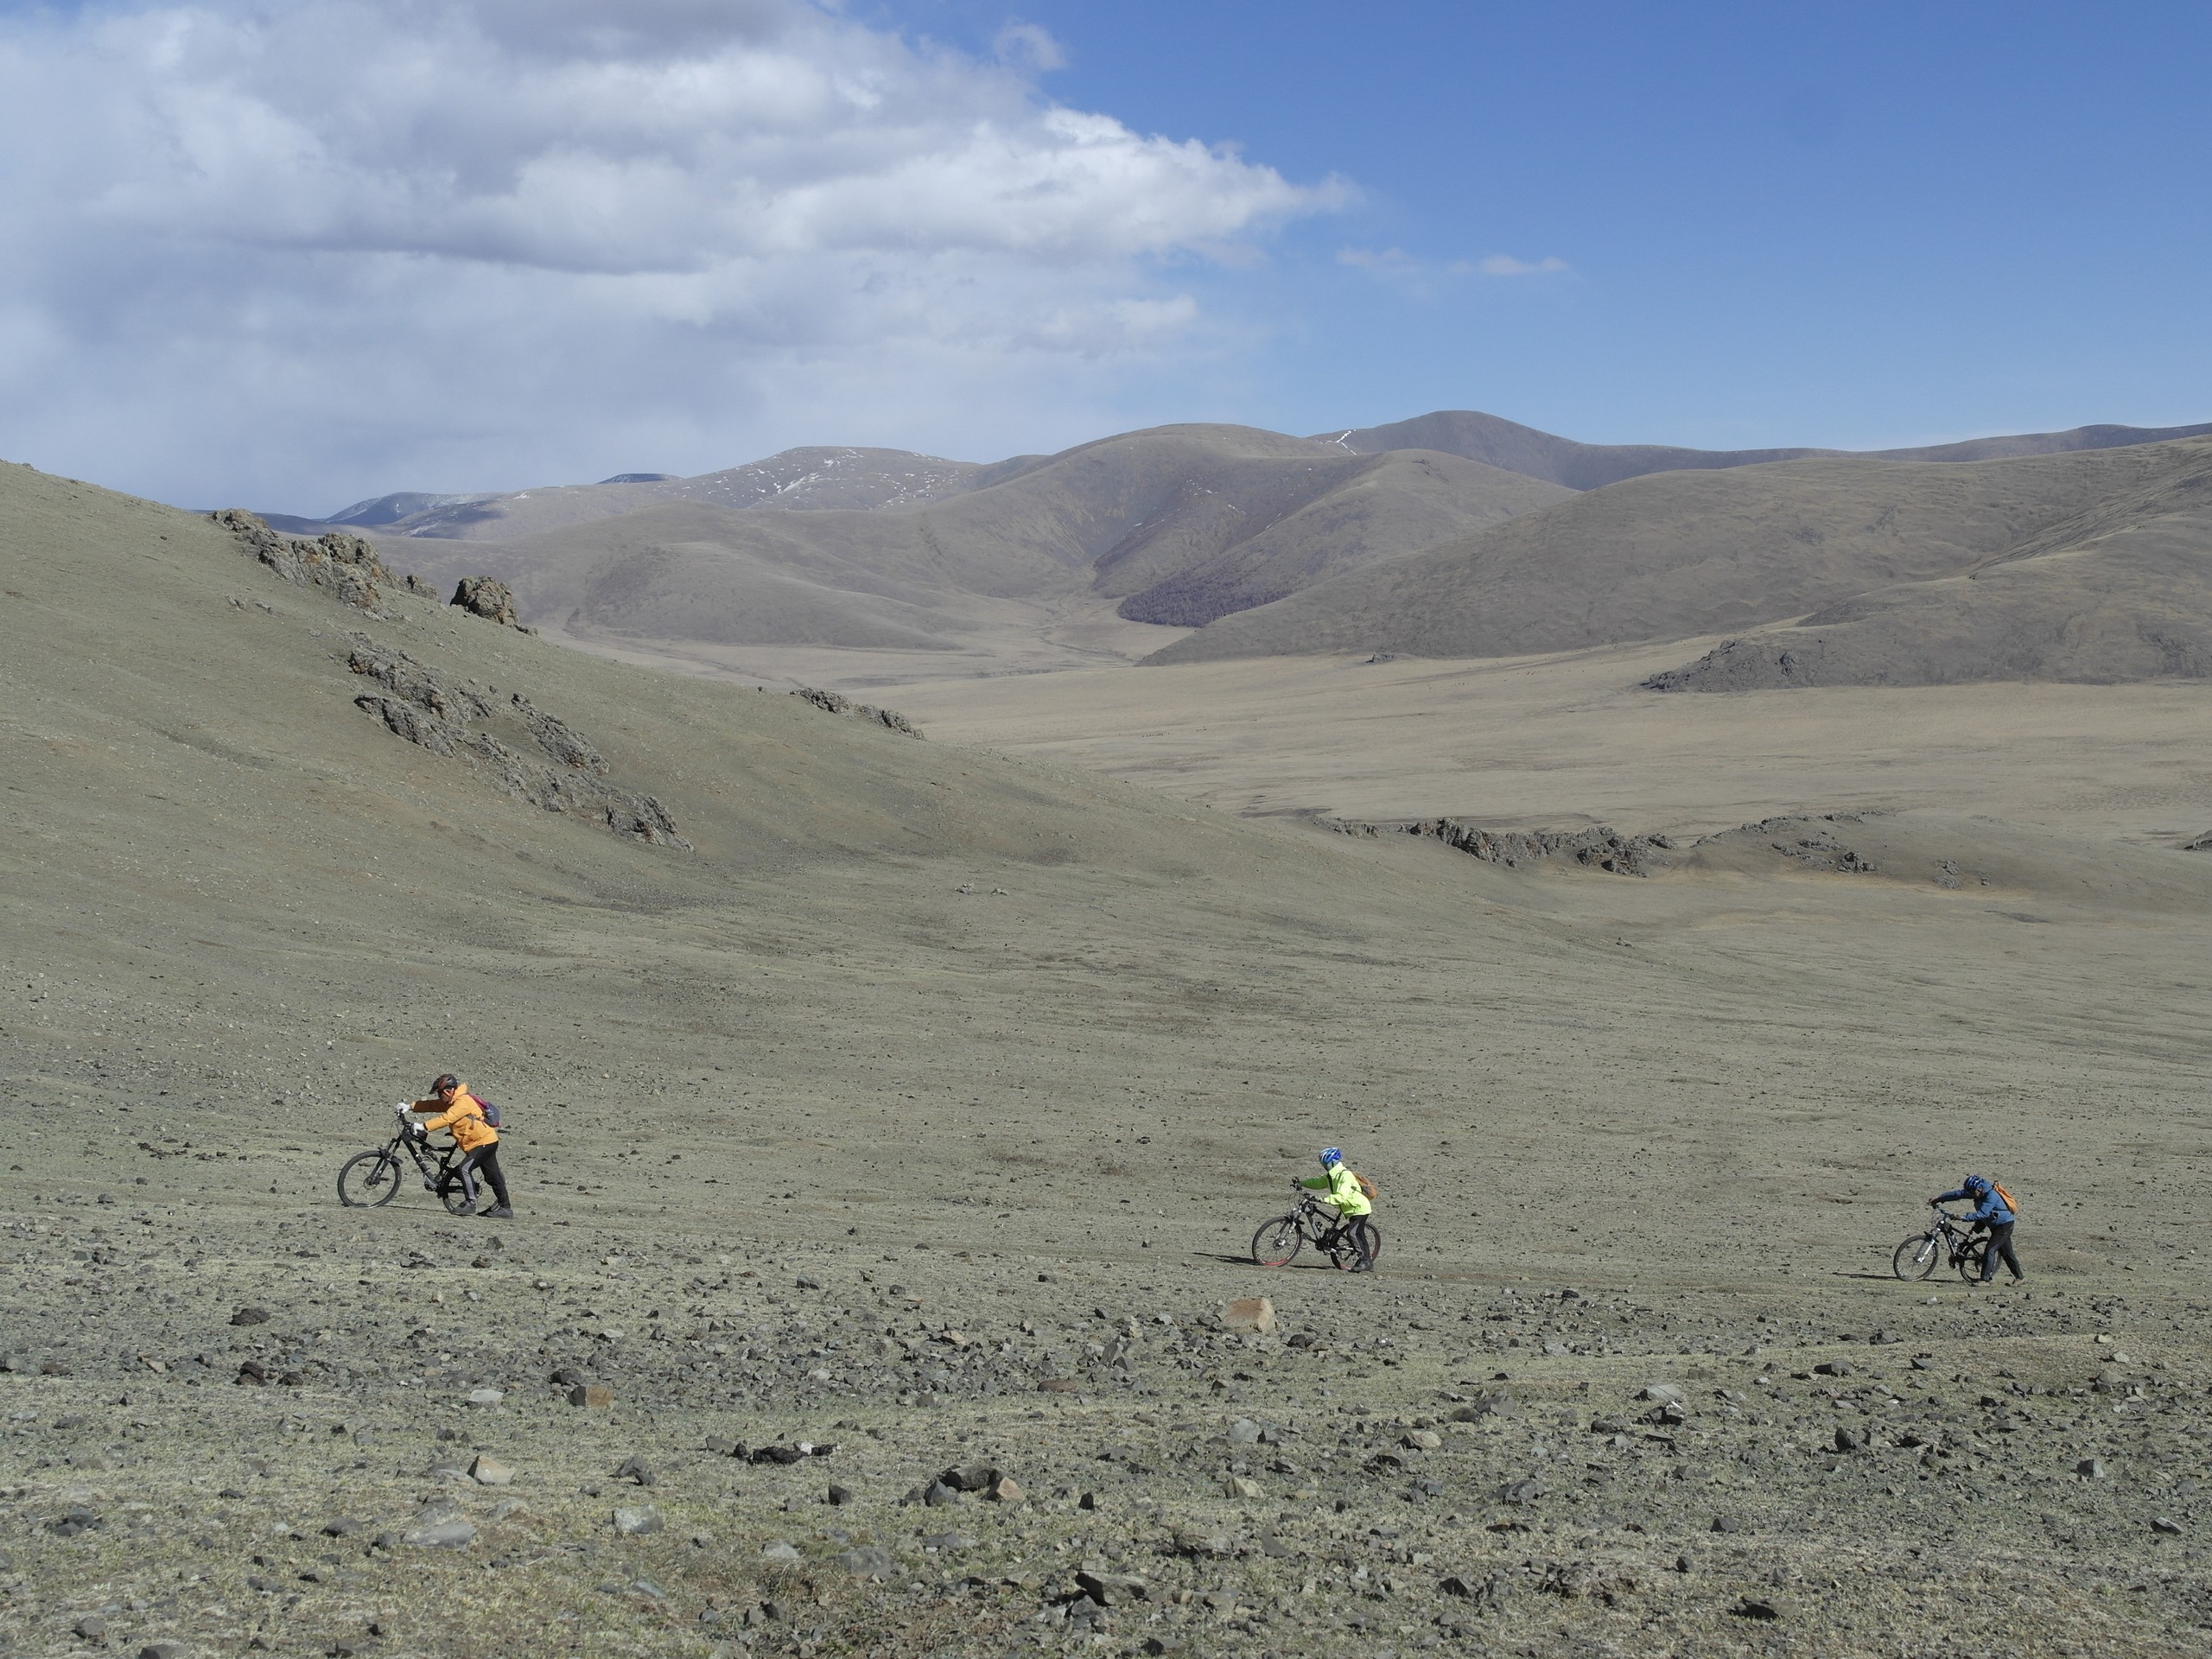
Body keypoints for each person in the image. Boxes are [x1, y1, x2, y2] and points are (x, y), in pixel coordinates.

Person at [405, 1074, 512, 1219]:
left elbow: (447, 1118)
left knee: (464, 1169)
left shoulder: (463, 1102)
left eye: (439, 1093)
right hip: (480, 1141)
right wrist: (410, 1107)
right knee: (492, 1176)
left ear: (448, 1091)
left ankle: (470, 1203)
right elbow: (433, 1105)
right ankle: (505, 1208)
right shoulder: (452, 1101)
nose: (438, 1096)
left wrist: (424, 1127)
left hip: (483, 1142)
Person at [1931, 1174, 2020, 1285]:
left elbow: (1983, 1214)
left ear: (1980, 1188)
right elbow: (1957, 1194)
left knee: (1990, 1249)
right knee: (2007, 1252)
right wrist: (1939, 1199)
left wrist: (1963, 1217)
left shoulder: (1991, 1196)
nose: (1971, 1195)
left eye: (1973, 1192)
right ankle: (2020, 1278)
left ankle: (1985, 1280)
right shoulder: (1975, 1192)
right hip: (1992, 1223)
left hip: (2004, 1225)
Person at [1300, 1147, 1376, 1272]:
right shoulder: (1331, 1176)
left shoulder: (1345, 1175)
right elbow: (1317, 1182)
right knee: (1357, 1234)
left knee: (1353, 1233)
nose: (1324, 1166)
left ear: (1334, 1162)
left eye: (1326, 1163)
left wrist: (1323, 1199)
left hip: (1359, 1208)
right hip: (1350, 1209)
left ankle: (1365, 1261)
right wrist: (1302, 1183)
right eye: (1323, 1164)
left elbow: (1341, 1197)